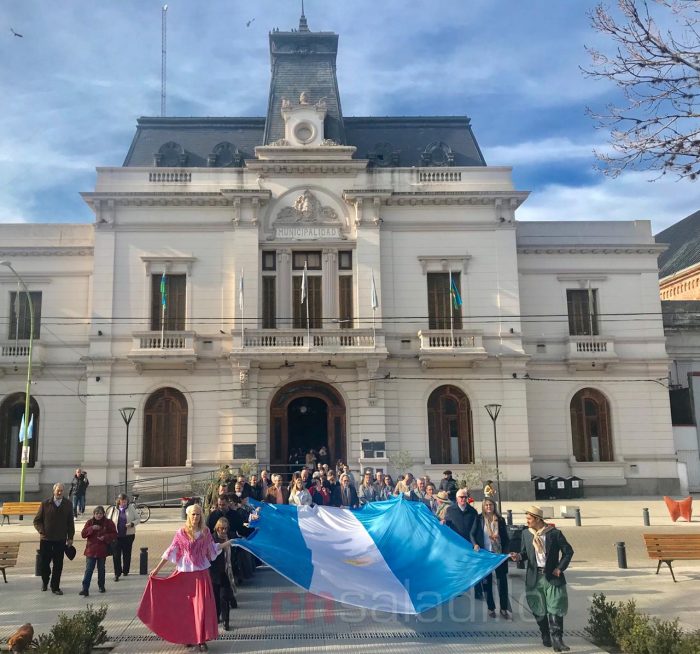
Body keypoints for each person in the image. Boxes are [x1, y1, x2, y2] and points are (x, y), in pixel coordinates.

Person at [138, 504, 242, 652]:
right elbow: (171, 551)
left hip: (201, 575)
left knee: (201, 608)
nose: (195, 517)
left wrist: (228, 543)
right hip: (184, 575)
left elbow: (212, 549)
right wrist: (157, 569)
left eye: (198, 514)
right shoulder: (181, 532)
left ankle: (201, 639)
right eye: (193, 514)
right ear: (188, 515)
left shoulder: (205, 532)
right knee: (186, 608)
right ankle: (187, 637)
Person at [510, 505, 574, 652]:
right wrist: (518, 556)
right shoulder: (526, 534)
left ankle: (557, 639)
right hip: (534, 577)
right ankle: (545, 633)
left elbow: (568, 552)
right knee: (538, 608)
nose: (527, 521)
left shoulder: (554, 534)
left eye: (529, 519)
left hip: (552, 576)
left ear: (538, 519)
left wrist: (560, 568)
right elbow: (525, 553)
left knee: (555, 607)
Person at [471, 498, 511, 619]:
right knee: (487, 582)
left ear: (494, 506)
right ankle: (491, 608)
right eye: (486, 505)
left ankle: (503, 608)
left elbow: (506, 538)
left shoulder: (500, 520)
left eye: (491, 505)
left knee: (502, 582)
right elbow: (472, 534)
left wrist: (505, 553)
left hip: (498, 554)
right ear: (483, 506)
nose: (489, 507)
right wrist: (475, 544)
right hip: (486, 554)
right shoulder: (479, 519)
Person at [33, 482, 75, 595]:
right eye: (58, 490)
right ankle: (45, 581)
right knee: (44, 564)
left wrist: (70, 537)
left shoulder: (68, 504)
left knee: (58, 565)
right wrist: (42, 531)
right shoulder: (45, 504)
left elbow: (70, 523)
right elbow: (37, 521)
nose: (60, 492)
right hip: (46, 540)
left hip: (60, 540)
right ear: (54, 491)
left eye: (61, 490)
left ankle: (55, 586)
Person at [445, 487, 482, 600]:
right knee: (458, 567)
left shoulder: (472, 511)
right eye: (461, 497)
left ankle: (478, 591)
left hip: (469, 543)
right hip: (456, 545)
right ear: (457, 498)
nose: (463, 499)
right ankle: (458, 590)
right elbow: (447, 523)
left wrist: (475, 543)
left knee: (473, 567)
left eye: (465, 497)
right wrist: (444, 522)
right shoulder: (450, 510)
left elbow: (475, 529)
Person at [79, 505, 117, 596]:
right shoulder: (90, 522)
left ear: (103, 514)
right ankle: (85, 589)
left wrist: (105, 537)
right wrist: (91, 528)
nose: (98, 515)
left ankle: (101, 586)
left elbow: (114, 534)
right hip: (91, 550)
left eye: (100, 513)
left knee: (101, 569)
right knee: (89, 570)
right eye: (97, 513)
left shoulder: (108, 522)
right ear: (94, 514)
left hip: (102, 550)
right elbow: (83, 534)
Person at [209, 517, 237, 630]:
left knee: (224, 597)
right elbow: (213, 551)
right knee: (216, 598)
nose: (224, 531)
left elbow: (243, 537)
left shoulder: (229, 536)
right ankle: (216, 616)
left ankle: (226, 621)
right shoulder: (212, 538)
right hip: (214, 573)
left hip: (225, 572)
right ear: (217, 528)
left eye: (226, 528)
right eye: (221, 528)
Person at [106, 493, 140, 582]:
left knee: (127, 554)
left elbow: (138, 519)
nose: (124, 503)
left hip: (128, 536)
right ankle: (117, 573)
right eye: (122, 501)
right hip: (116, 536)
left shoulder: (131, 508)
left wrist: (132, 524)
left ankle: (125, 570)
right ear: (119, 501)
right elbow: (108, 521)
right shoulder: (113, 509)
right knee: (116, 555)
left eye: (125, 501)